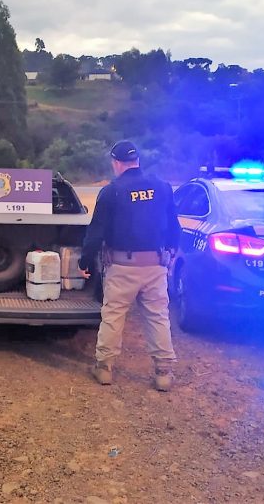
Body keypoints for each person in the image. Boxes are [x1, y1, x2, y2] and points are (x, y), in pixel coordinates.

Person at [79, 140, 181, 390]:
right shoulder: (163, 187)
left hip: (122, 266)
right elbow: (174, 227)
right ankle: (163, 373)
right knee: (158, 317)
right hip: (155, 265)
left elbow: (96, 232)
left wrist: (85, 262)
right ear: (137, 161)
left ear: (116, 163)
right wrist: (169, 254)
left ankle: (104, 369)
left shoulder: (112, 191)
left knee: (113, 316)